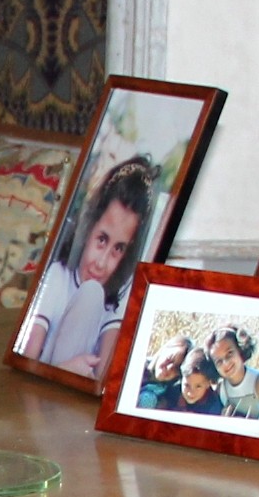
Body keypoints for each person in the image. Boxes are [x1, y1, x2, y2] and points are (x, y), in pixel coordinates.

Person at [16, 156, 155, 376]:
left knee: (94, 294)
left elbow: (103, 377)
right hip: (42, 387)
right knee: (91, 293)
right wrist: (65, 371)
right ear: (89, 227)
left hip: (79, 401)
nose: (101, 263)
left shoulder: (120, 292)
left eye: (118, 249)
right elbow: (24, 363)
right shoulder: (57, 276)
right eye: (101, 240)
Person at [208, 329, 259, 419]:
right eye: (219, 361)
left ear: (240, 350)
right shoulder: (221, 390)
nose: (226, 363)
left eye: (229, 354)